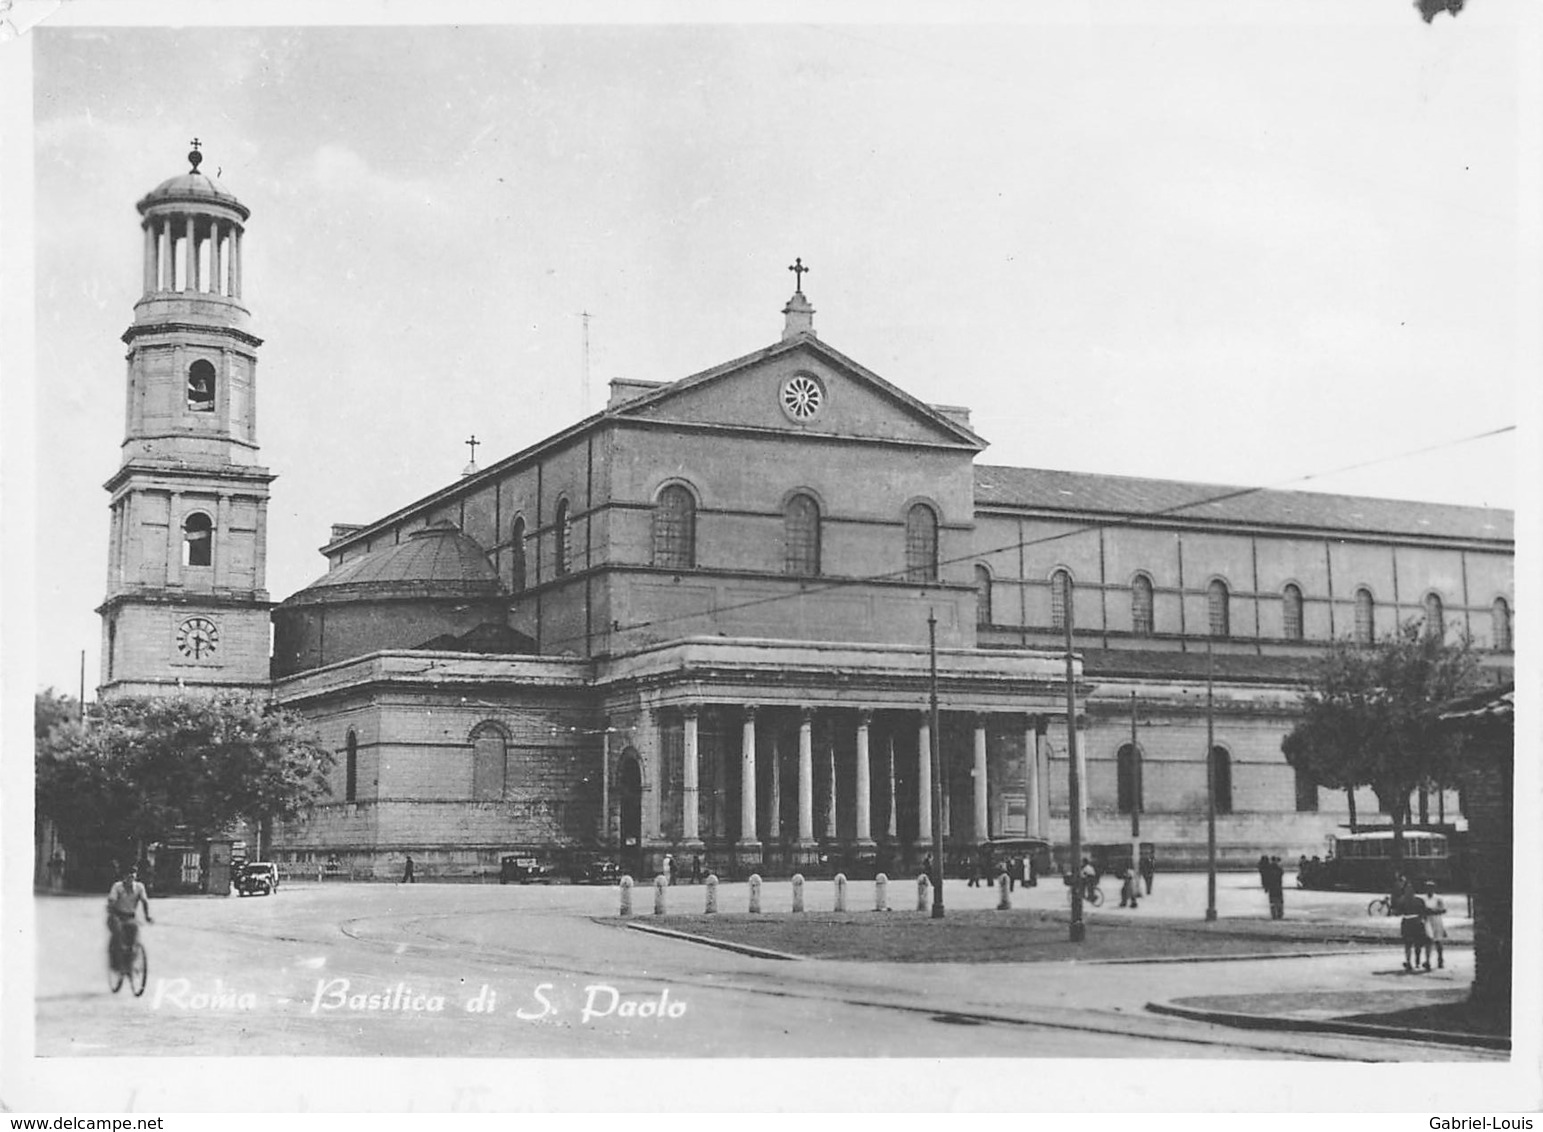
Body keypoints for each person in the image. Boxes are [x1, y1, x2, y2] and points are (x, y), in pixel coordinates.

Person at [106, 864, 153, 968]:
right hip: (116, 915)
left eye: (133, 875)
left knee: (134, 934)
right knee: (118, 935)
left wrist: (147, 916)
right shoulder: (117, 887)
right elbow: (112, 901)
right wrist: (112, 912)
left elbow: (144, 901)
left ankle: (130, 961)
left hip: (130, 916)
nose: (130, 877)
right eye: (128, 875)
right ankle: (116, 961)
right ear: (123, 877)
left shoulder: (139, 887)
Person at [1399, 884, 1430, 972]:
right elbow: (1398, 911)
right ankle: (1410, 961)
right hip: (1411, 922)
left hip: (1415, 922)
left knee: (1417, 943)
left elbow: (1424, 912)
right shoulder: (1403, 901)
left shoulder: (1417, 901)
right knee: (1409, 943)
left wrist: (1423, 920)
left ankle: (1416, 962)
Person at [1422, 881, 1448, 970]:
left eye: (1431, 888)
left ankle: (1440, 959)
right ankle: (1427, 961)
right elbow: (1421, 910)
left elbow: (1444, 910)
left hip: (1437, 920)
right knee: (1428, 940)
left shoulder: (1438, 899)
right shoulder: (1423, 899)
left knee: (1438, 941)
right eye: (1427, 888)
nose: (1429, 890)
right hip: (1427, 920)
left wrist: (1433, 911)